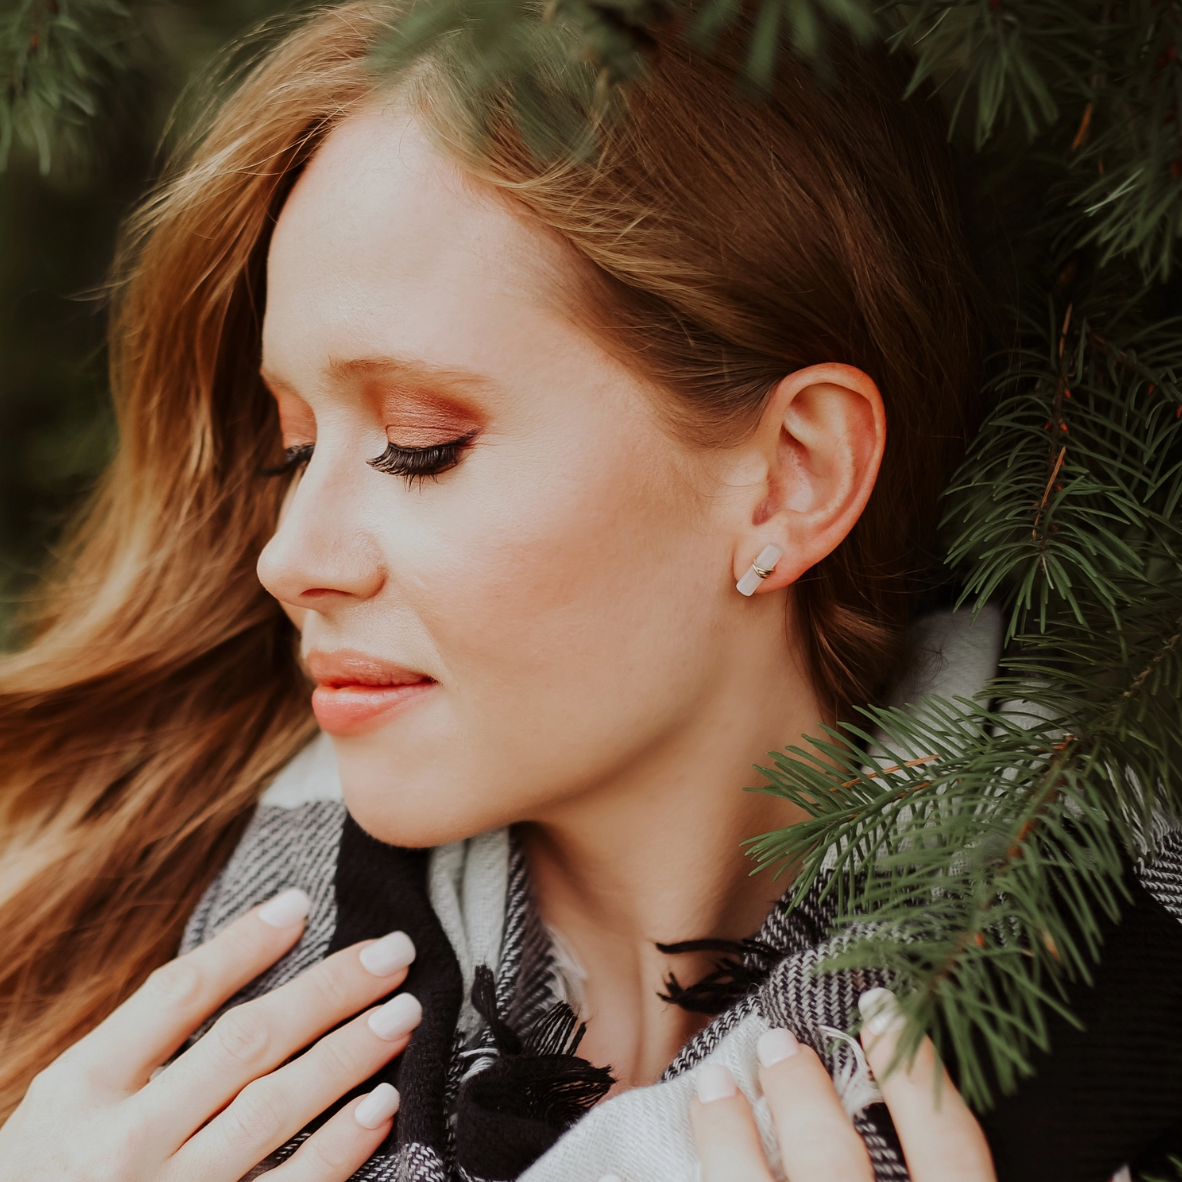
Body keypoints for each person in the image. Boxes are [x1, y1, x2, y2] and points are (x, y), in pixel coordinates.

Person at [0, 3, 1163, 1179]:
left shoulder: (1138, 996)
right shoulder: (87, 997)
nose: (290, 554)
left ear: (791, 478)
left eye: (420, 443)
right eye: (294, 448)